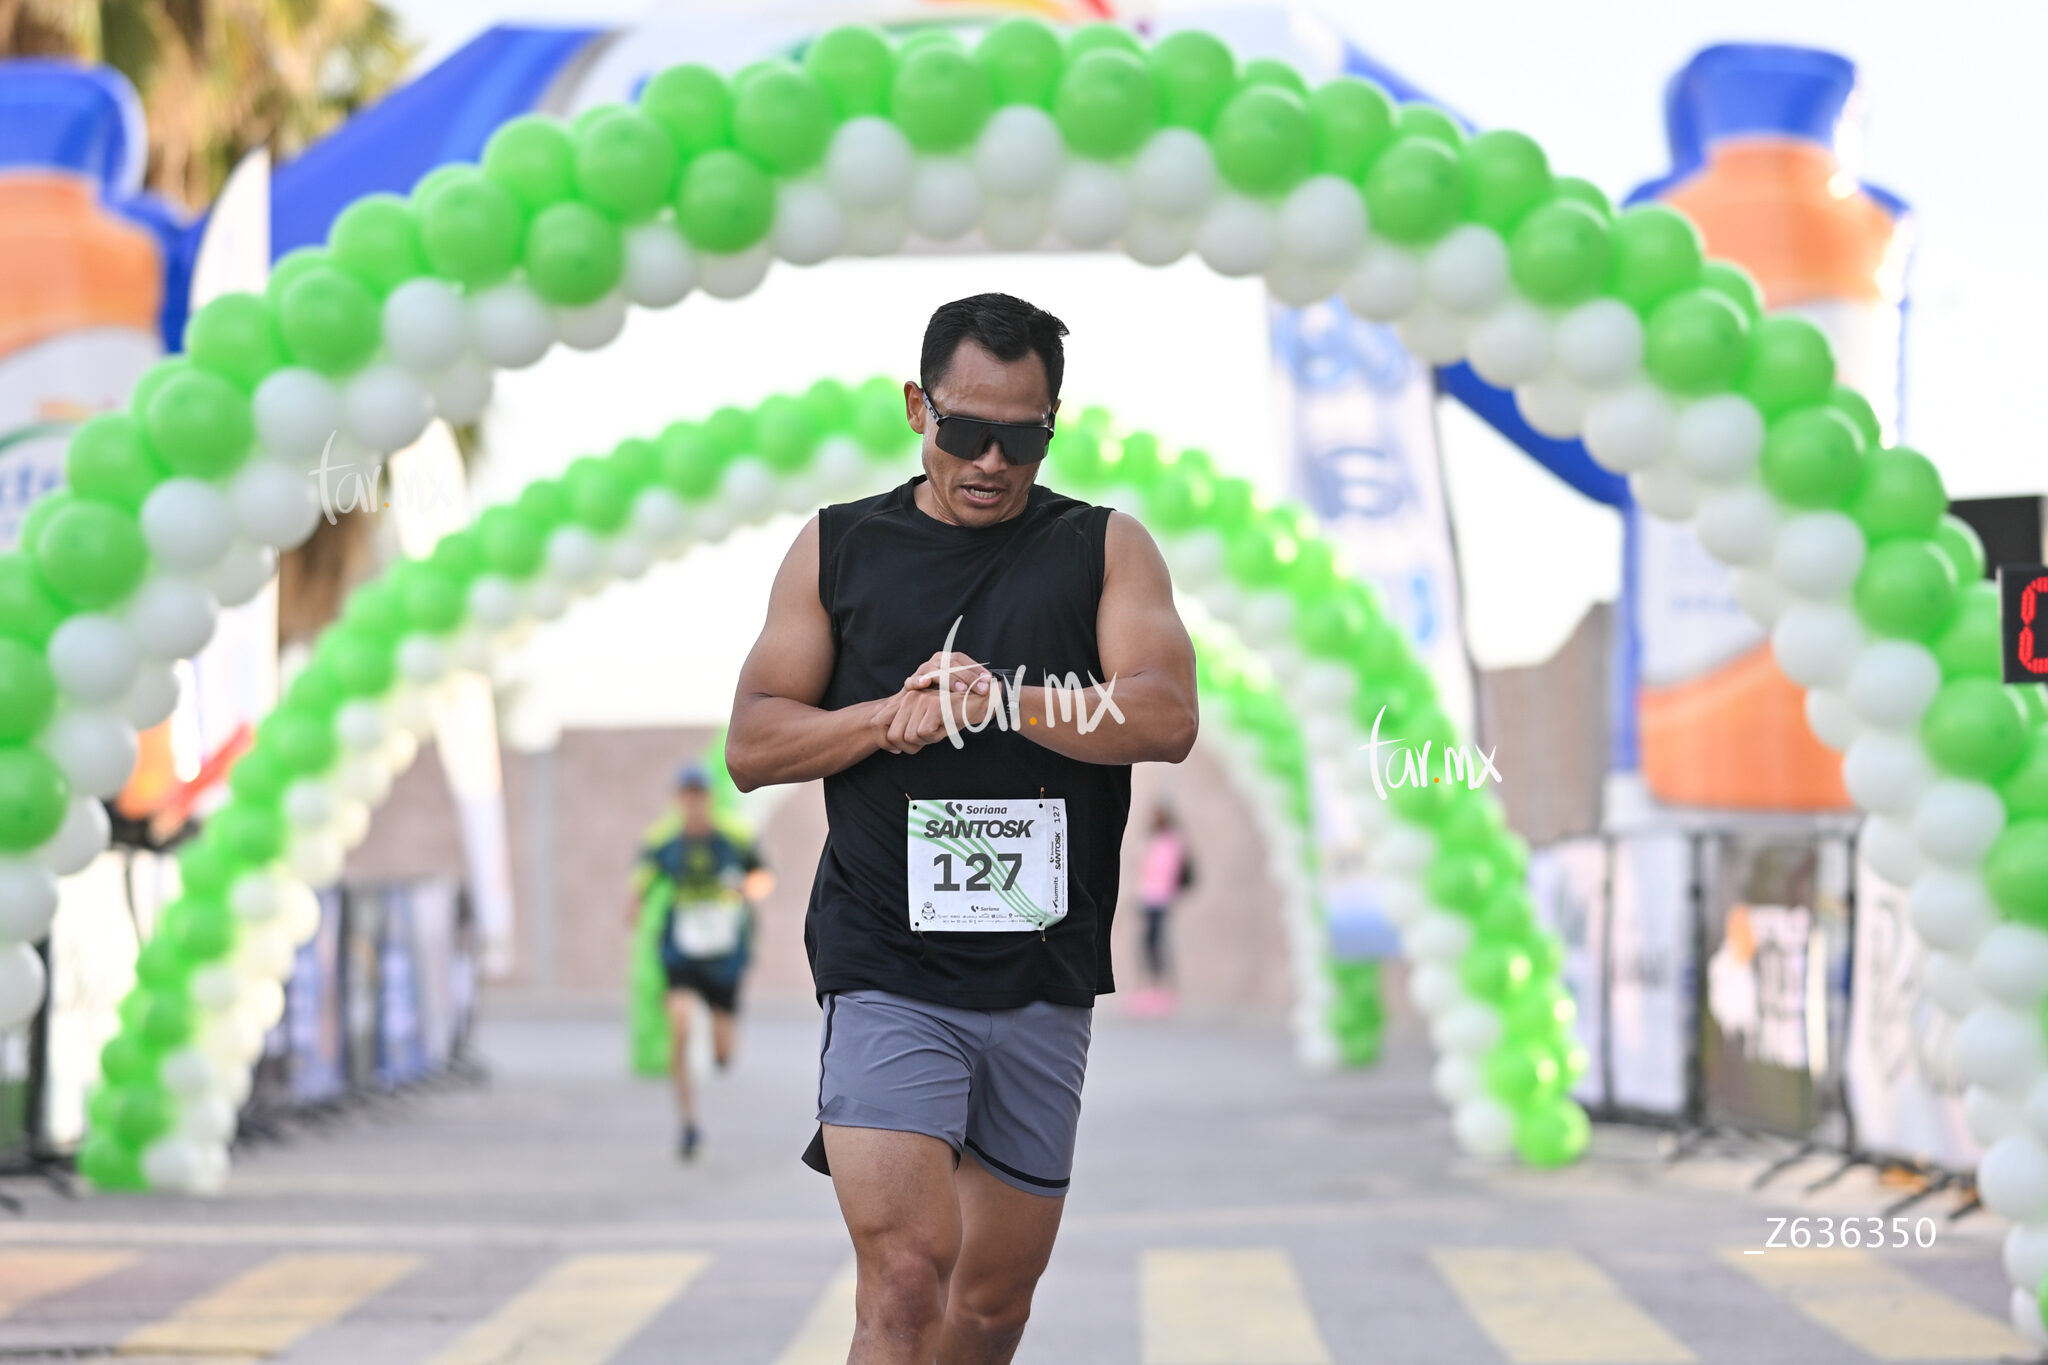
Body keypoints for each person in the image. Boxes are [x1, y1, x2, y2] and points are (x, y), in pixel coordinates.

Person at [726, 292, 1198, 1365]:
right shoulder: (838, 547)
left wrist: (1001, 701)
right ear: (916, 408)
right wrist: (883, 719)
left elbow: (1165, 716)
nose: (991, 461)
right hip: (884, 961)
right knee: (904, 1280)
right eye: (968, 429)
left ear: (1053, 427)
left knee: (989, 1308)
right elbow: (753, 743)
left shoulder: (1103, 547)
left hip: (1040, 967)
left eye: (1021, 438)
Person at [630, 762, 772, 1160]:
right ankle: (688, 1124)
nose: (693, 803)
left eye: (699, 795)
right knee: (679, 1026)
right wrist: (635, 906)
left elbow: (763, 876)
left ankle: (722, 1046)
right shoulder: (663, 839)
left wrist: (746, 888)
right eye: (686, 795)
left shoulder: (735, 835)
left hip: (725, 955)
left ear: (709, 798)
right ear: (678, 799)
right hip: (681, 951)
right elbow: (642, 881)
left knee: (723, 1054)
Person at [1130, 805, 1192, 1016]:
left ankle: (1160, 989)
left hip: (1161, 898)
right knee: (1147, 943)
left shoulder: (1171, 841)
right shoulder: (1154, 839)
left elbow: (1169, 870)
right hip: (1148, 897)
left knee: (1156, 943)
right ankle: (1150, 987)